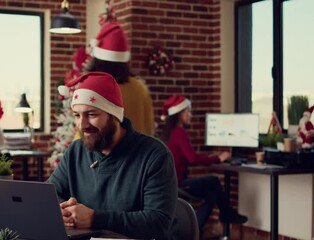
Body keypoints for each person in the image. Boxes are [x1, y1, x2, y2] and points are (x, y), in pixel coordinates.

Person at [49, 72, 177, 239]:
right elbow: (51, 193)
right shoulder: (76, 151)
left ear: (114, 115)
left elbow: (158, 223)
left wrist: (95, 218)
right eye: (77, 115)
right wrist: (60, 209)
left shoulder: (155, 155)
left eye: (92, 114)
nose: (82, 124)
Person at [159, 95, 248, 234]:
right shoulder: (179, 132)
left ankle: (195, 230)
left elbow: (189, 157)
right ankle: (225, 214)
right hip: (179, 183)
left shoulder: (168, 132)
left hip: (171, 182)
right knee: (213, 180)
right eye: (188, 111)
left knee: (211, 194)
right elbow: (193, 158)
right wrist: (217, 159)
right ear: (179, 113)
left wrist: (211, 157)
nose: (190, 115)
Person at [86, 22, 155, 136]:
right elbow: (149, 127)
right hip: (140, 152)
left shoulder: (94, 89)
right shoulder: (140, 88)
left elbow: (85, 134)